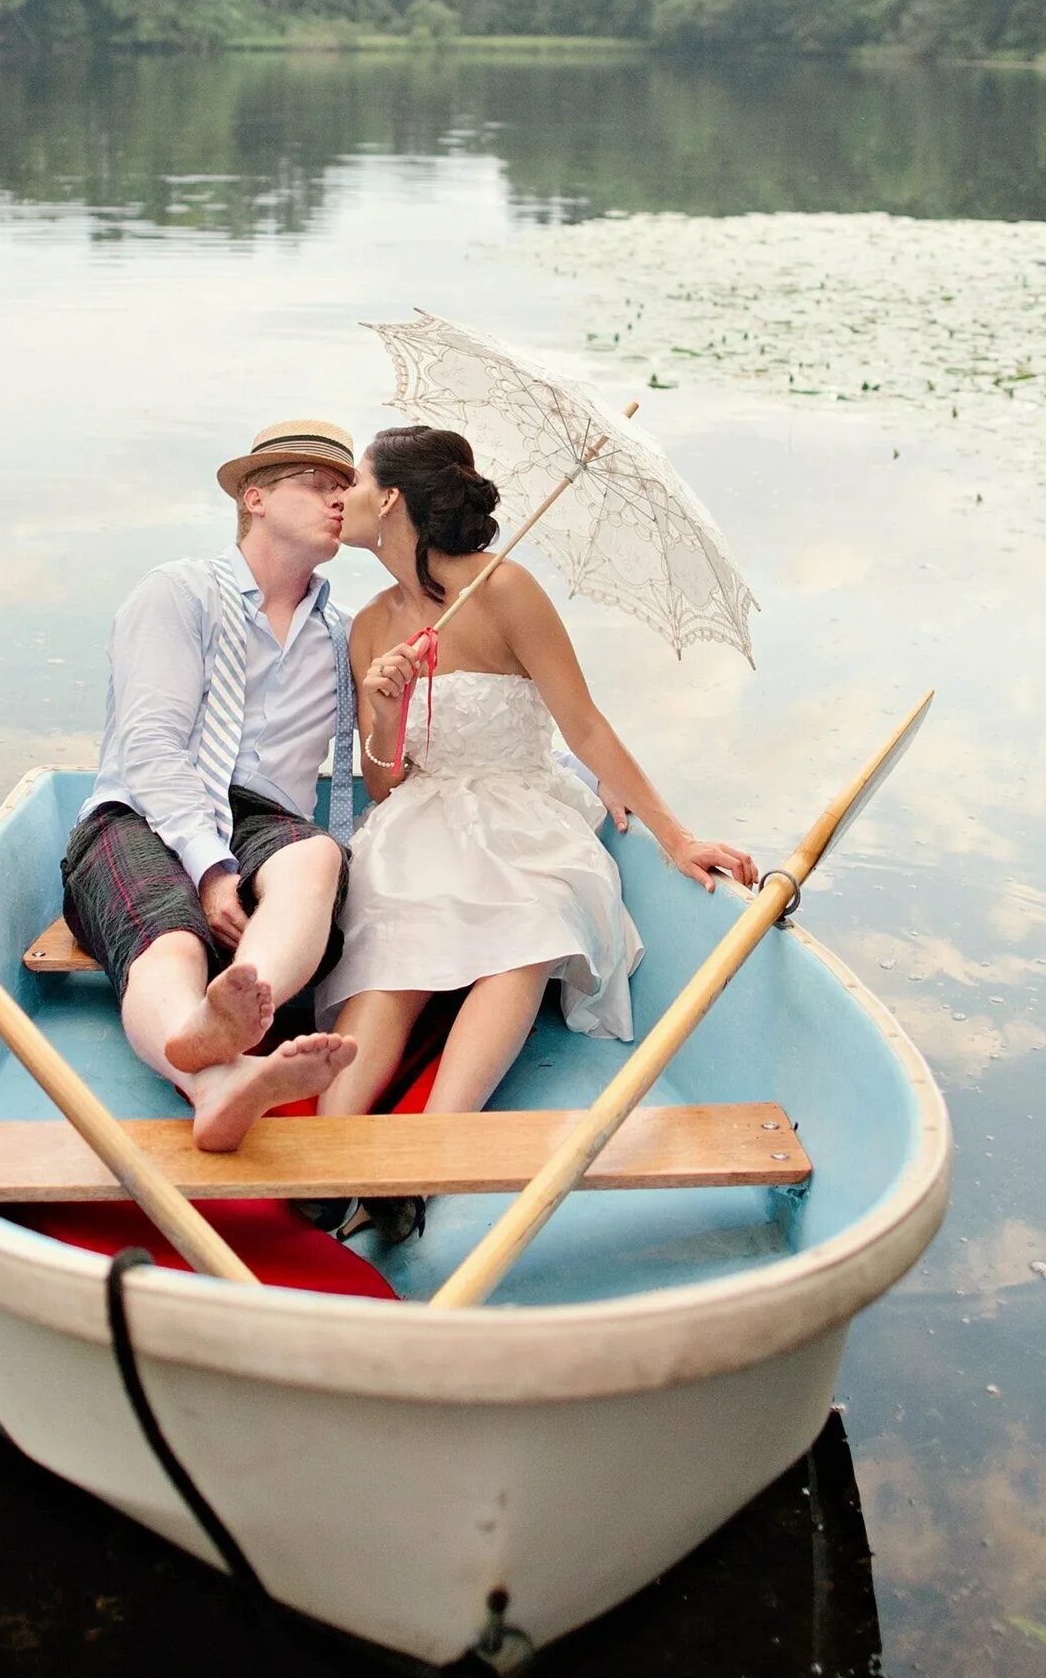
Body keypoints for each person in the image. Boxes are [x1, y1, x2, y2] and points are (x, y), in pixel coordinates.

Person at [314, 424, 758, 1120]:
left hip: (522, 808)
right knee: (395, 935)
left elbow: (582, 724)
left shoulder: (505, 589)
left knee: (528, 926)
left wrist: (676, 837)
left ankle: (436, 1141)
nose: (343, 496)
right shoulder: (369, 625)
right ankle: (329, 1143)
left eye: (357, 481)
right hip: (419, 817)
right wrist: (387, 707)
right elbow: (381, 784)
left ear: (392, 500)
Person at [60, 419, 362, 1152]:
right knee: (171, 940)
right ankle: (210, 1074)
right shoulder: (180, 593)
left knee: (319, 854)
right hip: (143, 809)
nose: (337, 502)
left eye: (345, 490)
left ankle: (241, 1008)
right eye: (315, 485)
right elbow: (152, 746)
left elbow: (428, 742)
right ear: (254, 497)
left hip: (263, 820)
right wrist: (211, 866)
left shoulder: (346, 635)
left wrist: (598, 780)